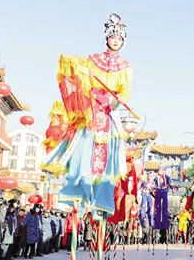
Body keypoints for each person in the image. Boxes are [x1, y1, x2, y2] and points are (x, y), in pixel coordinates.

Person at [43, 13, 133, 216]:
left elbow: (126, 89)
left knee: (109, 155)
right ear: (107, 38)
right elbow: (80, 82)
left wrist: (122, 98)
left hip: (109, 110)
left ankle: (102, 199)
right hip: (91, 108)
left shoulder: (126, 66)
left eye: (119, 38)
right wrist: (86, 75)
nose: (116, 41)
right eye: (113, 37)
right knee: (82, 148)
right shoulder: (93, 59)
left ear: (123, 41)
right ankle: (77, 190)